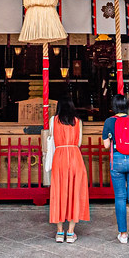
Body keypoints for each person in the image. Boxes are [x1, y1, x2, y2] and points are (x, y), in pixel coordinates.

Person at [102, 93, 129, 244]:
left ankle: (122, 234)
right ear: (127, 106)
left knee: (120, 198)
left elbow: (106, 145)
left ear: (114, 106)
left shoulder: (109, 122)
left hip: (117, 161)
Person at [49, 97, 89, 243]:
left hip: (59, 156)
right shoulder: (78, 121)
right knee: (75, 192)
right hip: (74, 156)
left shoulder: (53, 120)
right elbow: (79, 142)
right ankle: (71, 232)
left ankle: (60, 232)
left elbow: (51, 138)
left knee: (58, 192)